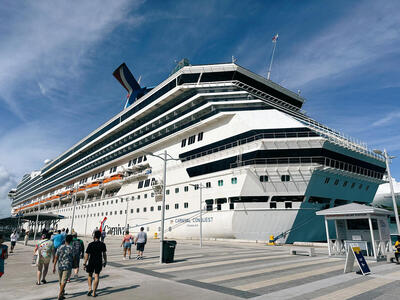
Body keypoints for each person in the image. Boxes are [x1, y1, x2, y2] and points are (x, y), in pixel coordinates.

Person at [83, 230, 107, 297]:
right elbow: (104, 254)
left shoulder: (90, 244)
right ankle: (94, 292)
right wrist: (105, 261)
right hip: (98, 261)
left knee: (90, 275)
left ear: (94, 236)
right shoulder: (102, 244)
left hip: (91, 261)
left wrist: (84, 263)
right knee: (96, 275)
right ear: (100, 236)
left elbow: (87, 255)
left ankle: (90, 288)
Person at [53, 234, 73, 300]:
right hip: (67, 266)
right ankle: (60, 294)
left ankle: (62, 292)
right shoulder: (71, 248)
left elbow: (56, 257)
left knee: (61, 280)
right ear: (71, 241)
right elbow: (74, 257)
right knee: (63, 281)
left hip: (60, 266)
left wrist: (54, 266)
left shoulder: (60, 247)